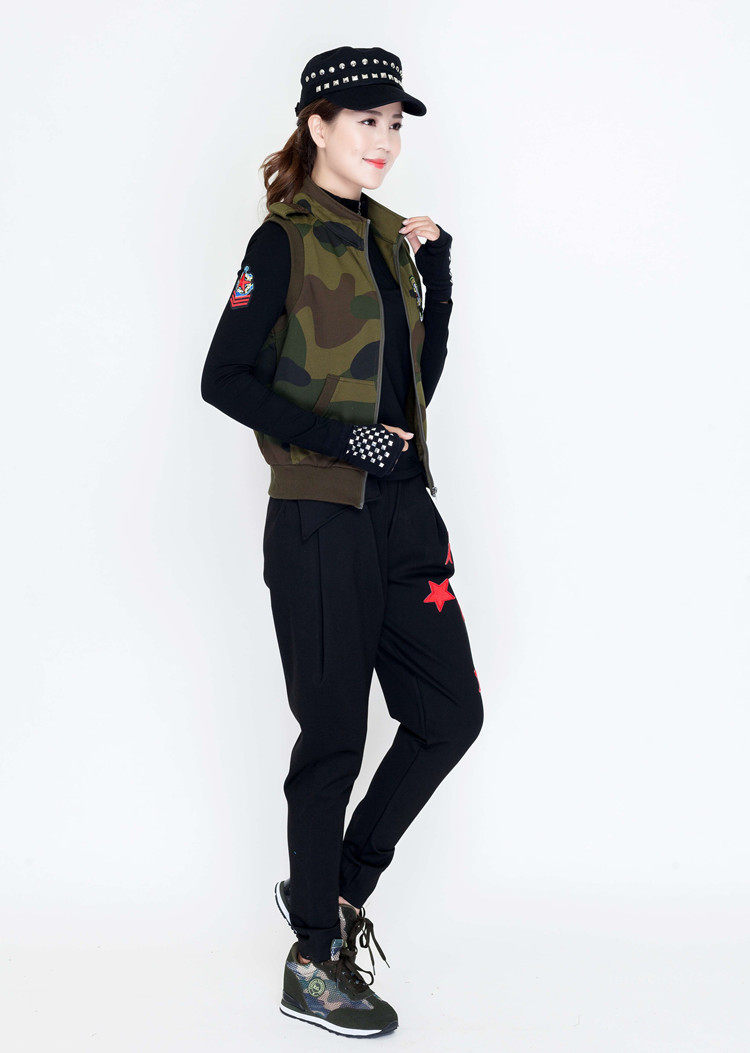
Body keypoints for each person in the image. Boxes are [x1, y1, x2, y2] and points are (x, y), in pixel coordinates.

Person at [201, 45, 484, 1039]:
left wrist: (436, 275)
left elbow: (414, 387)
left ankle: (334, 887)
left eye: (394, 123)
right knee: (333, 740)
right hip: (322, 517)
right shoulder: (282, 240)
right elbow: (224, 377)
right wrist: (336, 439)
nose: (384, 139)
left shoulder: (388, 238)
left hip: (405, 512)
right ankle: (312, 961)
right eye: (365, 120)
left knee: (448, 714)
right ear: (316, 126)